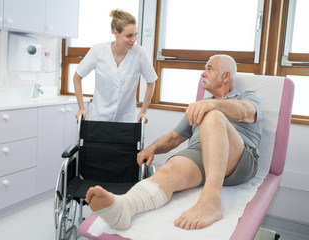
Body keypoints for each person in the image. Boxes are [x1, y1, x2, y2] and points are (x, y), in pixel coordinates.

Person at [85, 54, 262, 230]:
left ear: (226, 76)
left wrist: (214, 106)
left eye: (209, 69)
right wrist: (152, 148)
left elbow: (245, 112)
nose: (202, 74)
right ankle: (125, 208)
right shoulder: (200, 105)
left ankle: (211, 201)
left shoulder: (245, 97)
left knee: (213, 116)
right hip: (203, 154)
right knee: (170, 169)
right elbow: (173, 138)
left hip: (240, 159)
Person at [73, 9, 157, 123]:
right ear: (115, 32)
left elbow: (151, 81)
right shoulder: (98, 50)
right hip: (99, 118)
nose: (134, 40)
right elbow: (77, 77)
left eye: (135, 35)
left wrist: (143, 112)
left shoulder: (140, 53)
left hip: (126, 120)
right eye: (129, 36)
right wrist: (81, 108)